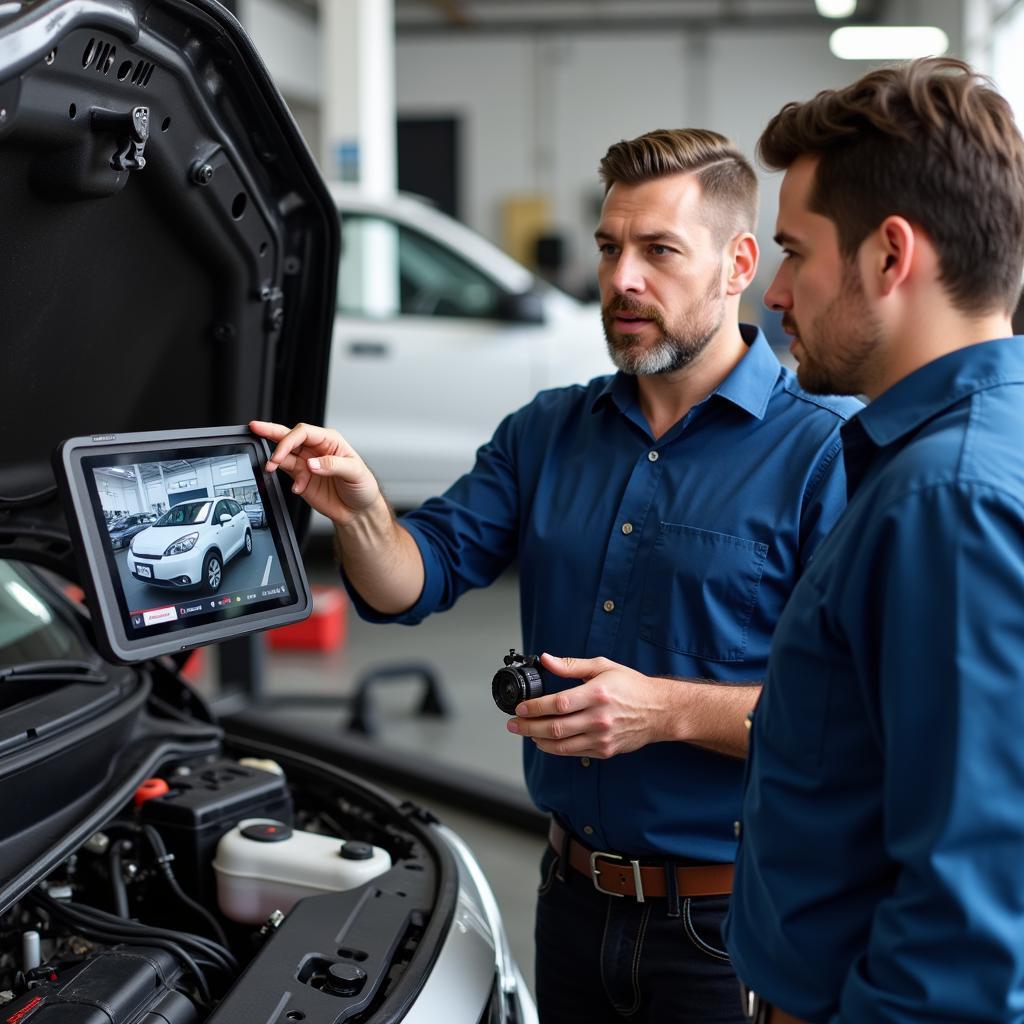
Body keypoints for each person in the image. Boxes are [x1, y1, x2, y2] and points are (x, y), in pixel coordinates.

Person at [252, 128, 860, 1023]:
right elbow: (409, 583)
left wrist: (666, 710)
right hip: (571, 902)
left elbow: (851, 721)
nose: (621, 280)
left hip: (734, 927)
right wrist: (362, 511)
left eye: (659, 251)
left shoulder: (824, 451)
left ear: (737, 264)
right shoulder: (546, 432)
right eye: (611, 248)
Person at [724, 58, 1024, 1024]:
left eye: (794, 253)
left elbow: (970, 926)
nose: (774, 296)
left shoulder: (945, 499)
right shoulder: (962, 449)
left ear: (890, 256)